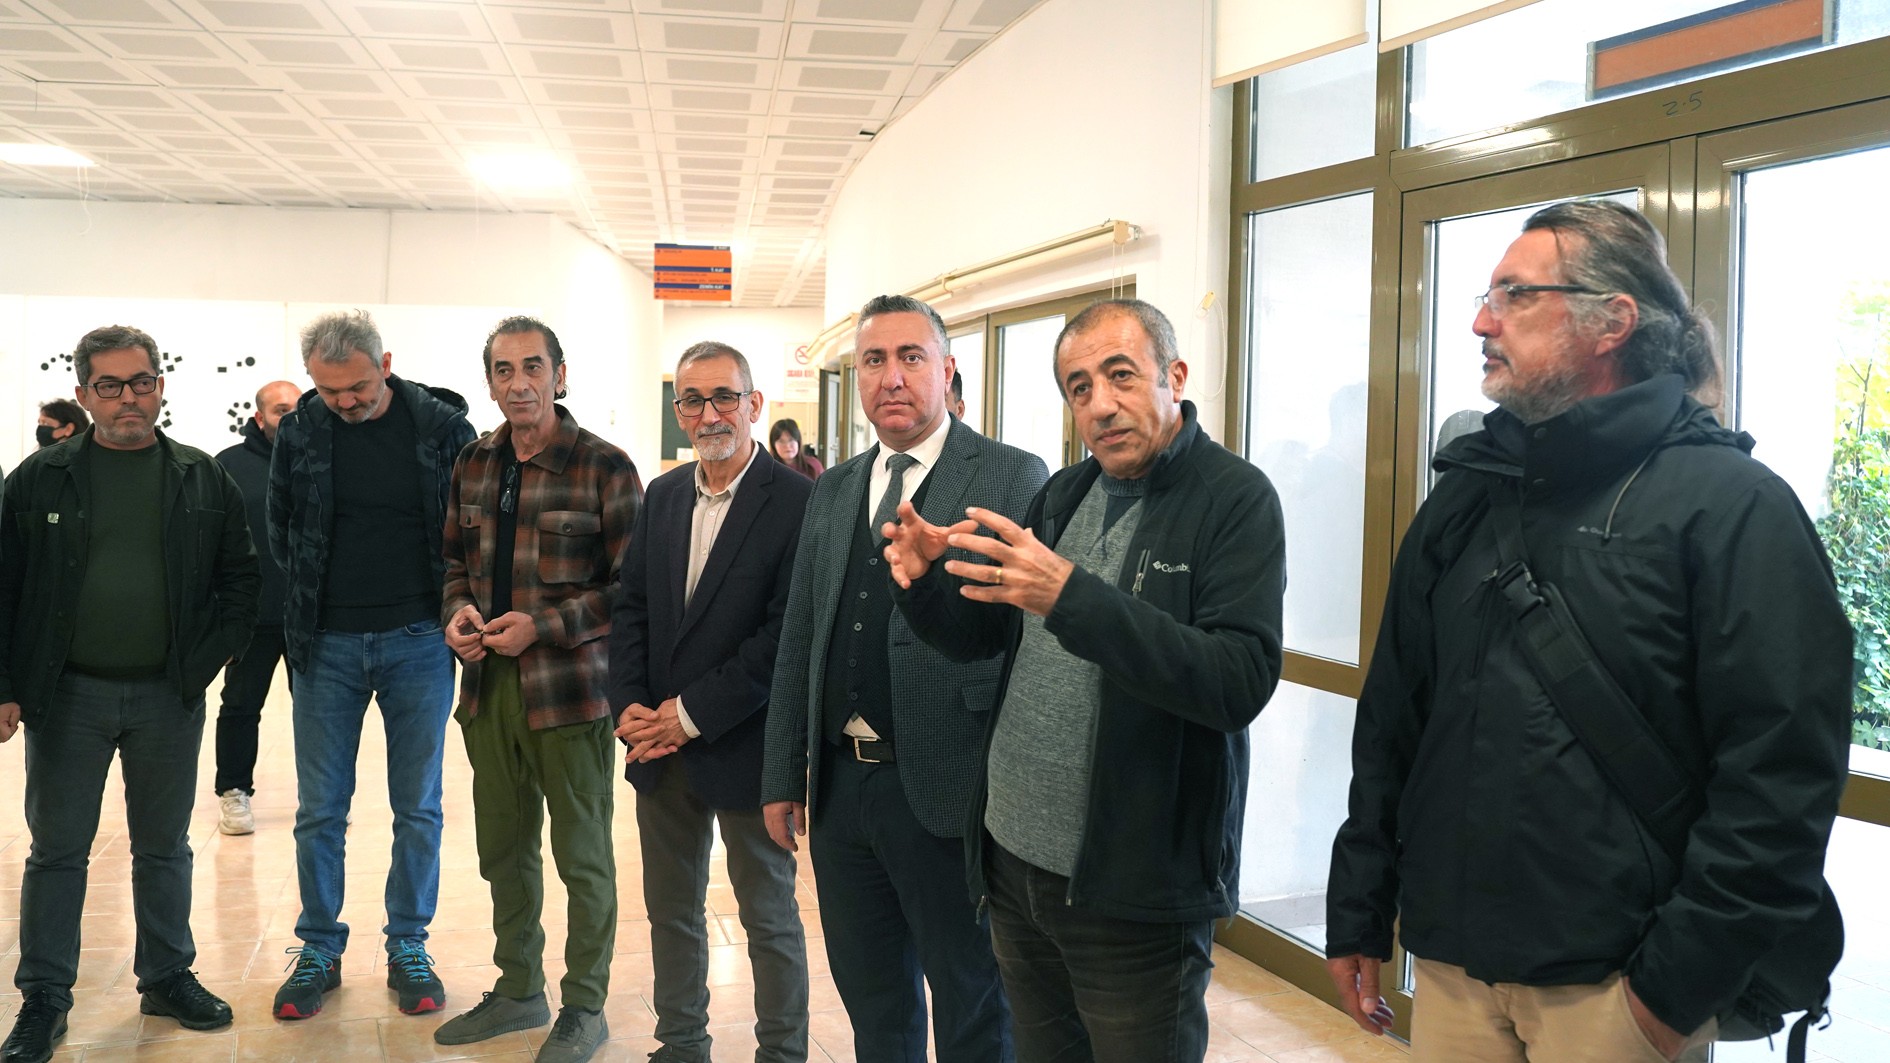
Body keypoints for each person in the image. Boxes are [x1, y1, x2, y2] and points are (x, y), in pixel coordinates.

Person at [1324, 200, 1852, 1062]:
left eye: (1515, 295)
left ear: (1612, 322)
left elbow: (1780, 779)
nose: (1481, 322)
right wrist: (1358, 907)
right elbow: (1393, 720)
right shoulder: (1467, 496)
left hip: (1618, 989)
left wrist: (1668, 994)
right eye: (1487, 296)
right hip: (1453, 970)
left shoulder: (1734, 506)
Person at [886, 298, 1286, 1063]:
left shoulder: (1235, 500)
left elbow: (1237, 679)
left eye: (1120, 375)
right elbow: (990, 640)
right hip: (1014, 868)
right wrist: (925, 582)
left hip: (1134, 894)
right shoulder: (1065, 493)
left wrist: (1071, 595)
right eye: (1079, 387)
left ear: (1174, 376)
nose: (1100, 404)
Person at [760, 294, 1046, 1063]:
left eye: (911, 357)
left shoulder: (1011, 475)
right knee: (875, 1003)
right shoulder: (834, 488)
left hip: (953, 790)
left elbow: (1022, 643)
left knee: (973, 1005)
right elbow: (800, 634)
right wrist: (783, 771)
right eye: (874, 360)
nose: (892, 376)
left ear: (947, 369)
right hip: (842, 795)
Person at [0, 325, 259, 1063]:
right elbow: (4, 583)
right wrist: (5, 683)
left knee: (164, 847)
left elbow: (241, 579)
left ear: (160, 386)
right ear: (84, 394)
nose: (128, 398)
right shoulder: (40, 477)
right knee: (58, 851)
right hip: (67, 695)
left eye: (141, 382)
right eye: (109, 385)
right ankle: (44, 997)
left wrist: (207, 660)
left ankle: (167, 976)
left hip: (166, 696)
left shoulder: (201, 477)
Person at [432, 316, 640, 1063]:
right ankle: (519, 987)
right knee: (503, 850)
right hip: (488, 691)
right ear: (490, 382)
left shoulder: (604, 466)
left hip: (569, 695)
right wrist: (458, 611)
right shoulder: (474, 461)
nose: (518, 383)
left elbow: (631, 591)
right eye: (503, 370)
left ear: (559, 374)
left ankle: (585, 1005)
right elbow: (453, 562)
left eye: (532, 367)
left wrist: (544, 627)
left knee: (582, 857)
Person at [268, 309, 477, 1021]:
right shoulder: (300, 430)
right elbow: (281, 526)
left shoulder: (442, 428)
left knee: (417, 805)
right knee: (320, 809)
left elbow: (469, 529)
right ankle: (318, 949)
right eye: (330, 391)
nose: (346, 401)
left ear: (385, 365)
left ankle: (408, 943)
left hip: (419, 639)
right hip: (325, 643)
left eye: (357, 386)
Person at [613, 341, 815, 1063]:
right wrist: (629, 708)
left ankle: (782, 1053)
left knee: (768, 917)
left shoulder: (797, 501)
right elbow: (632, 608)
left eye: (724, 397)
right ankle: (681, 1044)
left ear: (754, 404)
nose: (709, 414)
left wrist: (689, 714)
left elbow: (784, 636)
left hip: (750, 746)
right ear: (678, 412)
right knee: (671, 911)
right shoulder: (665, 494)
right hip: (658, 748)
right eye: (692, 400)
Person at [211, 379, 302, 836]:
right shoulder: (228, 466)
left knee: (318, 712)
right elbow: (213, 543)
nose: (292, 416)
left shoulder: (321, 459)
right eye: (282, 410)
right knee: (241, 707)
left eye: (299, 408)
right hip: (252, 616)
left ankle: (321, 797)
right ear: (259, 417)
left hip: (310, 616)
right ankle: (233, 791)